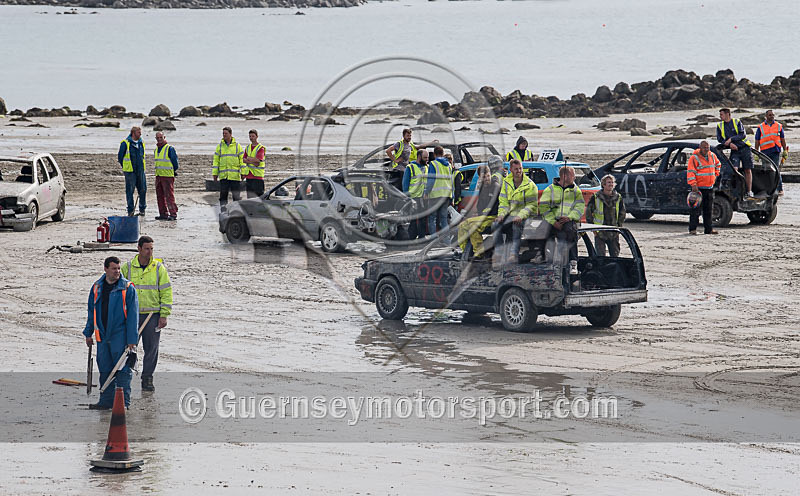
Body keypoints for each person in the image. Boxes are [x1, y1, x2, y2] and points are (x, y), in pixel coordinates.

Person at [83, 256, 138, 410]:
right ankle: (106, 401)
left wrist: (132, 340)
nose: (117, 272)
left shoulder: (128, 289)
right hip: (102, 336)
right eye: (114, 269)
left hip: (120, 336)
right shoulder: (96, 288)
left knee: (123, 371)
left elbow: (133, 316)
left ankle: (123, 404)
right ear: (105, 269)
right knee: (105, 369)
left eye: (119, 268)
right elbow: (91, 313)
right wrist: (88, 333)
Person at [121, 235, 173, 392]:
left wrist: (164, 315)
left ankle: (147, 378)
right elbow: (120, 292)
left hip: (152, 315)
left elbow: (166, 291)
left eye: (152, 249)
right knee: (128, 347)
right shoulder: (127, 268)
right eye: (147, 249)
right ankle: (125, 376)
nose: (150, 252)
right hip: (132, 316)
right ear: (139, 249)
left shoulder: (158, 268)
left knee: (152, 348)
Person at [494, 159, 538, 262]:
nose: (519, 171)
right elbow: (503, 202)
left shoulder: (530, 185)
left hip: (526, 216)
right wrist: (501, 215)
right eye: (516, 169)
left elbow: (531, 205)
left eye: (520, 168)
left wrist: (521, 216)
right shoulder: (506, 183)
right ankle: (499, 253)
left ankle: (513, 254)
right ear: (511, 170)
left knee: (516, 225)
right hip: (510, 215)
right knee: (495, 225)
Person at [540, 166, 584, 266]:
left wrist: (570, 217)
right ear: (565, 176)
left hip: (568, 220)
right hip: (552, 221)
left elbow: (580, 207)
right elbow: (543, 208)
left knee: (571, 233)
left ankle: (573, 261)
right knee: (540, 232)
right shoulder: (550, 190)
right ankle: (543, 257)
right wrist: (553, 222)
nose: (575, 177)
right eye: (573, 175)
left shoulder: (576, 190)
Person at [458, 163, 501, 258]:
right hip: (483, 216)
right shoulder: (482, 187)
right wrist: (478, 213)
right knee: (462, 226)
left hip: (493, 216)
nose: (486, 179)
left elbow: (498, 204)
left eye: (487, 176)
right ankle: (465, 251)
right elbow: (480, 204)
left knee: (473, 226)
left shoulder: (496, 186)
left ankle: (480, 253)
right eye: (483, 177)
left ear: (490, 174)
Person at [716, 108, 754, 198]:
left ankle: (749, 191)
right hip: (734, 151)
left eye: (721, 114)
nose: (720, 116)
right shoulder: (720, 125)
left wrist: (731, 139)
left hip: (745, 148)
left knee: (747, 170)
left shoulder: (737, 122)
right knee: (734, 170)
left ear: (727, 114)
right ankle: (736, 191)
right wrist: (730, 144)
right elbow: (720, 139)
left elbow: (742, 135)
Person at [586, 174, 626, 256]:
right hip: (600, 232)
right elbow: (589, 213)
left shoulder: (618, 197)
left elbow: (622, 213)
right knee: (600, 257)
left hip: (613, 231)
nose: (611, 184)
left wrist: (619, 226)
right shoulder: (596, 197)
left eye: (612, 182)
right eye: (608, 182)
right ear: (603, 184)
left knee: (615, 256)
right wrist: (593, 229)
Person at [686, 140, 721, 235]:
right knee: (695, 210)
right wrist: (693, 184)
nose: (706, 149)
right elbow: (691, 172)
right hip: (698, 189)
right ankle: (692, 229)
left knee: (708, 210)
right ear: (700, 148)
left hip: (709, 187)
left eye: (708, 148)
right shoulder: (694, 158)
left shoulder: (712, 156)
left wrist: (716, 174)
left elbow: (718, 164)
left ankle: (708, 229)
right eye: (704, 148)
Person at [755, 109, 788, 196]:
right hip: (764, 152)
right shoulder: (760, 127)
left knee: (776, 170)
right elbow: (757, 140)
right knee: (766, 171)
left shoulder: (778, 126)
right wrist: (756, 152)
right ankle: (767, 189)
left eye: (773, 115)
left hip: (775, 151)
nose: (772, 116)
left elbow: (782, 139)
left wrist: (785, 150)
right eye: (770, 115)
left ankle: (779, 189)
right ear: (766, 116)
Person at [118, 126, 147, 217]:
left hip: (140, 170)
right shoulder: (125, 143)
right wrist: (125, 167)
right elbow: (120, 157)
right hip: (130, 171)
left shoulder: (141, 142)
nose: (140, 134)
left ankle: (142, 210)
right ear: (133, 133)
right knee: (130, 191)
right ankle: (130, 211)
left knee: (143, 190)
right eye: (139, 132)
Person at [212, 127, 245, 207]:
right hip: (224, 176)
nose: (224, 135)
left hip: (235, 176)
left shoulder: (237, 146)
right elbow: (216, 161)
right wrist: (215, 174)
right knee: (223, 196)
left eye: (226, 133)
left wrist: (243, 173)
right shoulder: (219, 147)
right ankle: (223, 211)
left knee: (236, 197)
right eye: (223, 133)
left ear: (230, 134)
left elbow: (242, 160)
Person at [424, 146, 453, 235]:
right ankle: (447, 241)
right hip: (446, 195)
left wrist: (426, 192)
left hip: (435, 196)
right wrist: (452, 196)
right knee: (444, 219)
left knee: (432, 218)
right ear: (443, 154)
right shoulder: (449, 165)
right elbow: (451, 181)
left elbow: (431, 180)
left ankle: (433, 241)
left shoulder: (433, 164)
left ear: (435, 154)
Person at [402, 149, 428, 239]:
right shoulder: (410, 167)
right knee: (412, 220)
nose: (427, 159)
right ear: (419, 157)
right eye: (425, 158)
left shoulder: (426, 167)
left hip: (423, 197)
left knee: (423, 219)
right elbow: (405, 183)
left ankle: (422, 237)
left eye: (427, 158)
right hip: (413, 198)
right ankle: (411, 238)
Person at [153, 131, 179, 221]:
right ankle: (163, 214)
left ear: (164, 137)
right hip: (159, 175)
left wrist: (173, 171)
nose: (159, 139)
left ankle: (173, 214)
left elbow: (175, 163)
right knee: (159, 196)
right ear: (156, 139)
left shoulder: (169, 149)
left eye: (161, 137)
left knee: (169, 196)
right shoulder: (156, 150)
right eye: (158, 138)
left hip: (167, 176)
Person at [242, 129, 266, 198]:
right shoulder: (248, 147)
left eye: (253, 136)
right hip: (249, 176)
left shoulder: (260, 148)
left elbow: (258, 160)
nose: (251, 138)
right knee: (250, 199)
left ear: (257, 136)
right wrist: (253, 161)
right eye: (250, 136)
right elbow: (244, 159)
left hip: (258, 177)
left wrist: (249, 159)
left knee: (259, 198)